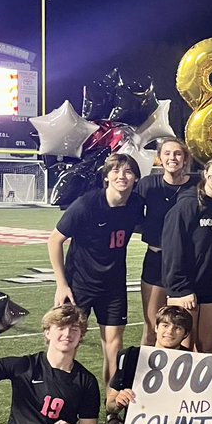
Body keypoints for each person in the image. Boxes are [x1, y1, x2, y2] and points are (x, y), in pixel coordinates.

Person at [47, 152, 145, 384]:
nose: (122, 176)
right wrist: (62, 284)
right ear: (106, 178)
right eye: (116, 171)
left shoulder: (137, 205)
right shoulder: (86, 204)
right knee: (66, 343)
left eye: (128, 171)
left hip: (113, 287)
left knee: (114, 347)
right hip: (79, 285)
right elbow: (54, 240)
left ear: (136, 179)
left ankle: (111, 406)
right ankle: (61, 401)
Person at [161, 157, 212, 354]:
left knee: (206, 351)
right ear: (205, 174)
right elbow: (173, 249)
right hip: (186, 290)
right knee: (181, 351)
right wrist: (181, 288)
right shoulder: (186, 206)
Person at [135, 138, 196, 347]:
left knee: (185, 333)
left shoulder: (197, 184)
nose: (173, 158)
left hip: (186, 263)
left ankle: (185, 379)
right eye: (167, 153)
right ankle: (144, 378)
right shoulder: (147, 185)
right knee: (153, 328)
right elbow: (130, 213)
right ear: (159, 158)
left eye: (178, 153)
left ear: (185, 158)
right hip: (156, 259)